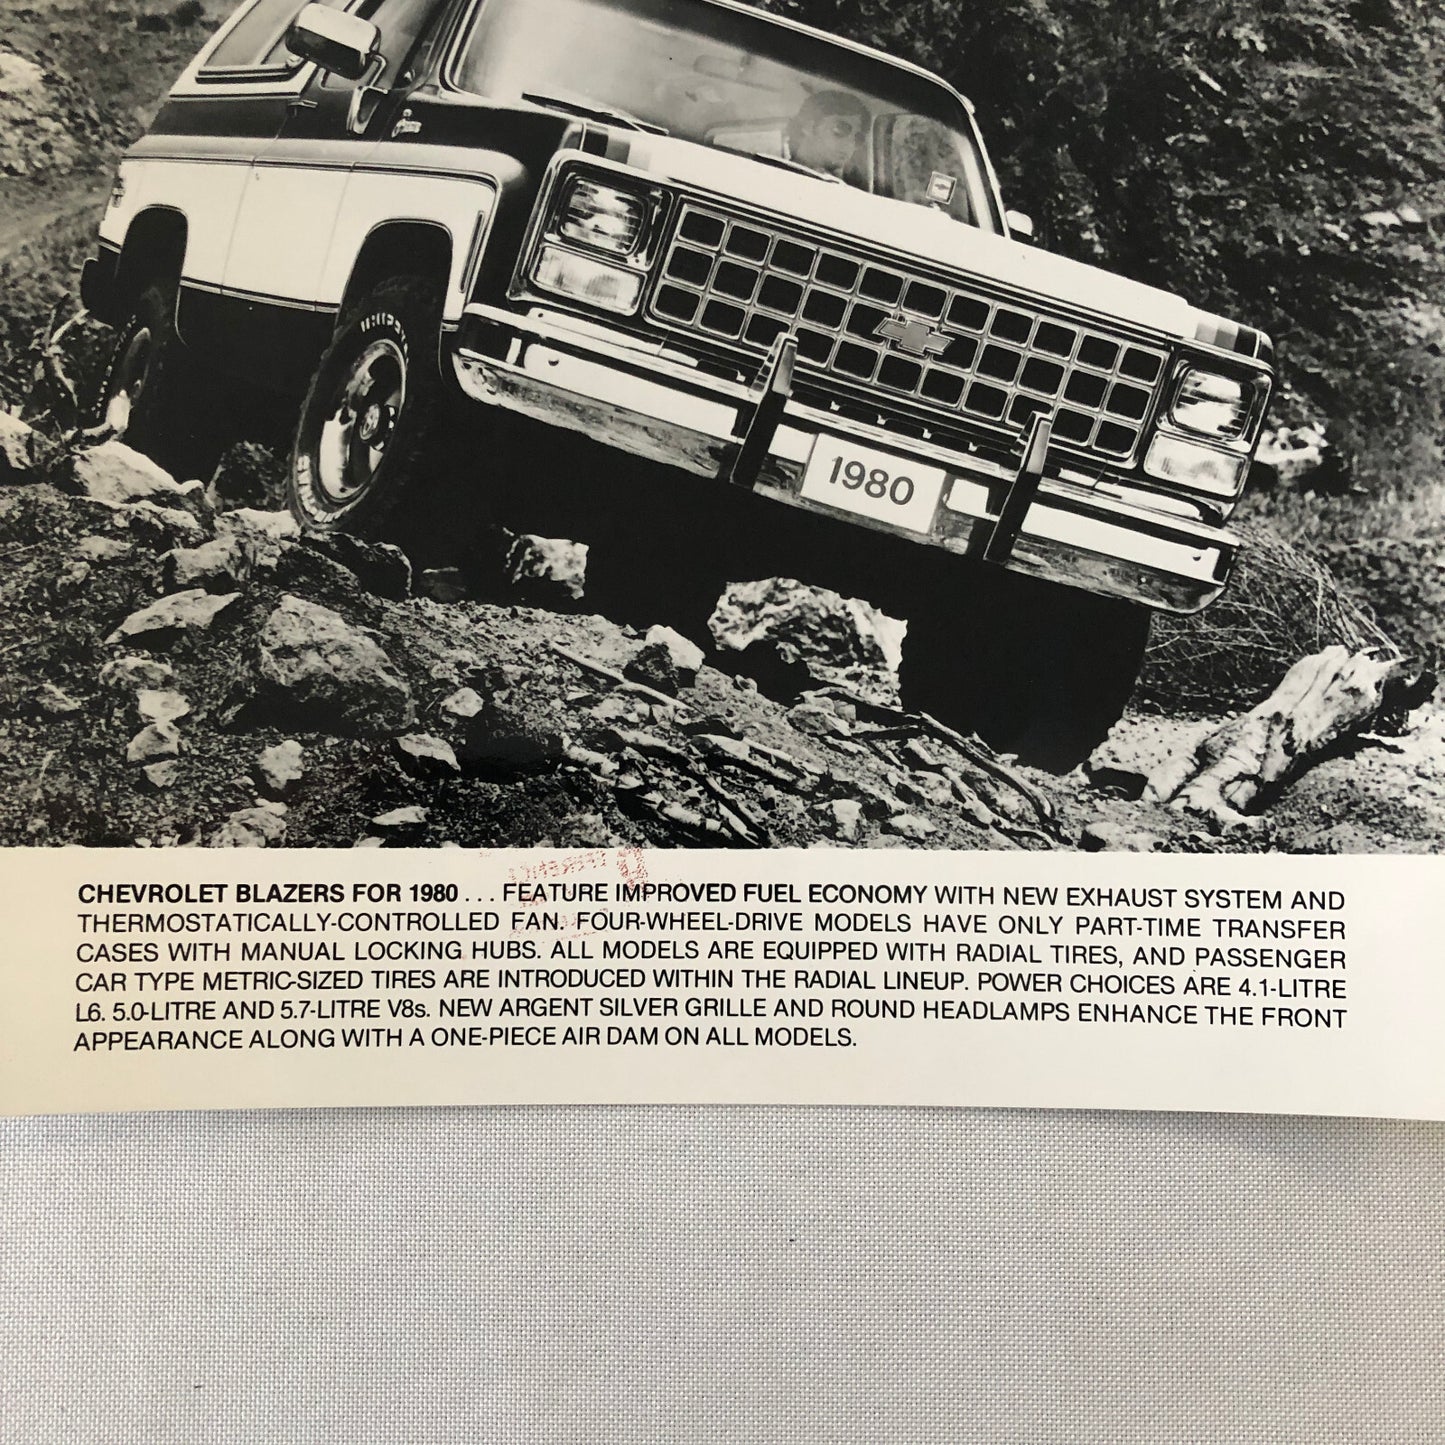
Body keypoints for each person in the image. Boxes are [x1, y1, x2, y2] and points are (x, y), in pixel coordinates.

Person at [785, 89, 870, 178]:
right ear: (809, 126)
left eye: (858, 138)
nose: (851, 144)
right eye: (840, 129)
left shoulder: (841, 190)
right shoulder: (776, 176)